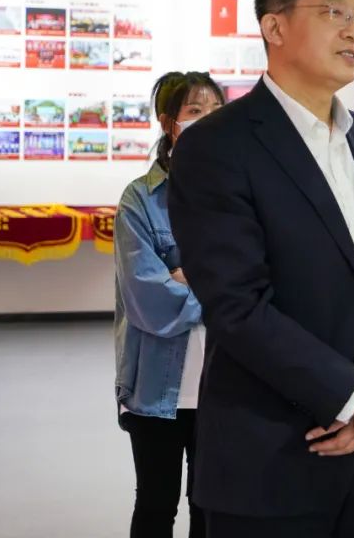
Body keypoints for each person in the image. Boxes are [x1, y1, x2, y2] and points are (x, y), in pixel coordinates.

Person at [167, 0, 354, 538]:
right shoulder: (216, 147)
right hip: (272, 458)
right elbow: (238, 306)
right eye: (334, 12)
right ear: (274, 27)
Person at [113, 71, 225, 538]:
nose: (208, 121)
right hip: (158, 387)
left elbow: (259, 282)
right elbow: (149, 299)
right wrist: (216, 287)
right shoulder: (139, 199)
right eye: (196, 111)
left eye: (216, 111)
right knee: (156, 505)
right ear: (168, 123)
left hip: (225, 385)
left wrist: (185, 275)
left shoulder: (238, 196)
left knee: (211, 507)